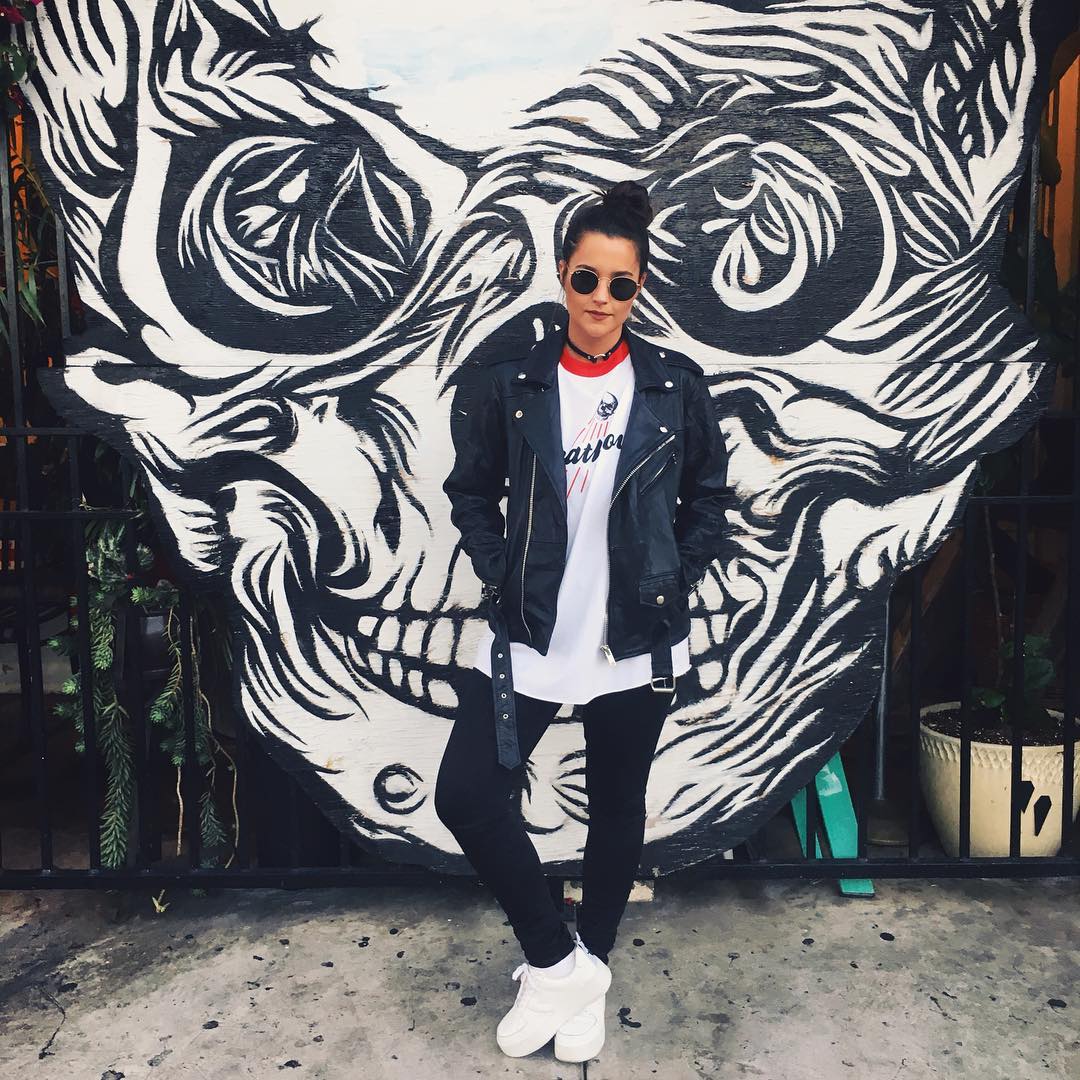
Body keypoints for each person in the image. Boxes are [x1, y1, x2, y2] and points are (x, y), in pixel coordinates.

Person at [436, 180, 733, 1062]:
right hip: (533, 628)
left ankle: (589, 966)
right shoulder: (514, 384)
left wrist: (673, 576)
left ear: (639, 289)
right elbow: (470, 492)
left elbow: (709, 497)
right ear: (562, 275)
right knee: (468, 794)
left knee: (615, 807)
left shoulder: (672, 387)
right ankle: (556, 961)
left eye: (621, 284)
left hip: (634, 637)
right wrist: (498, 567)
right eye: (586, 279)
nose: (602, 299)